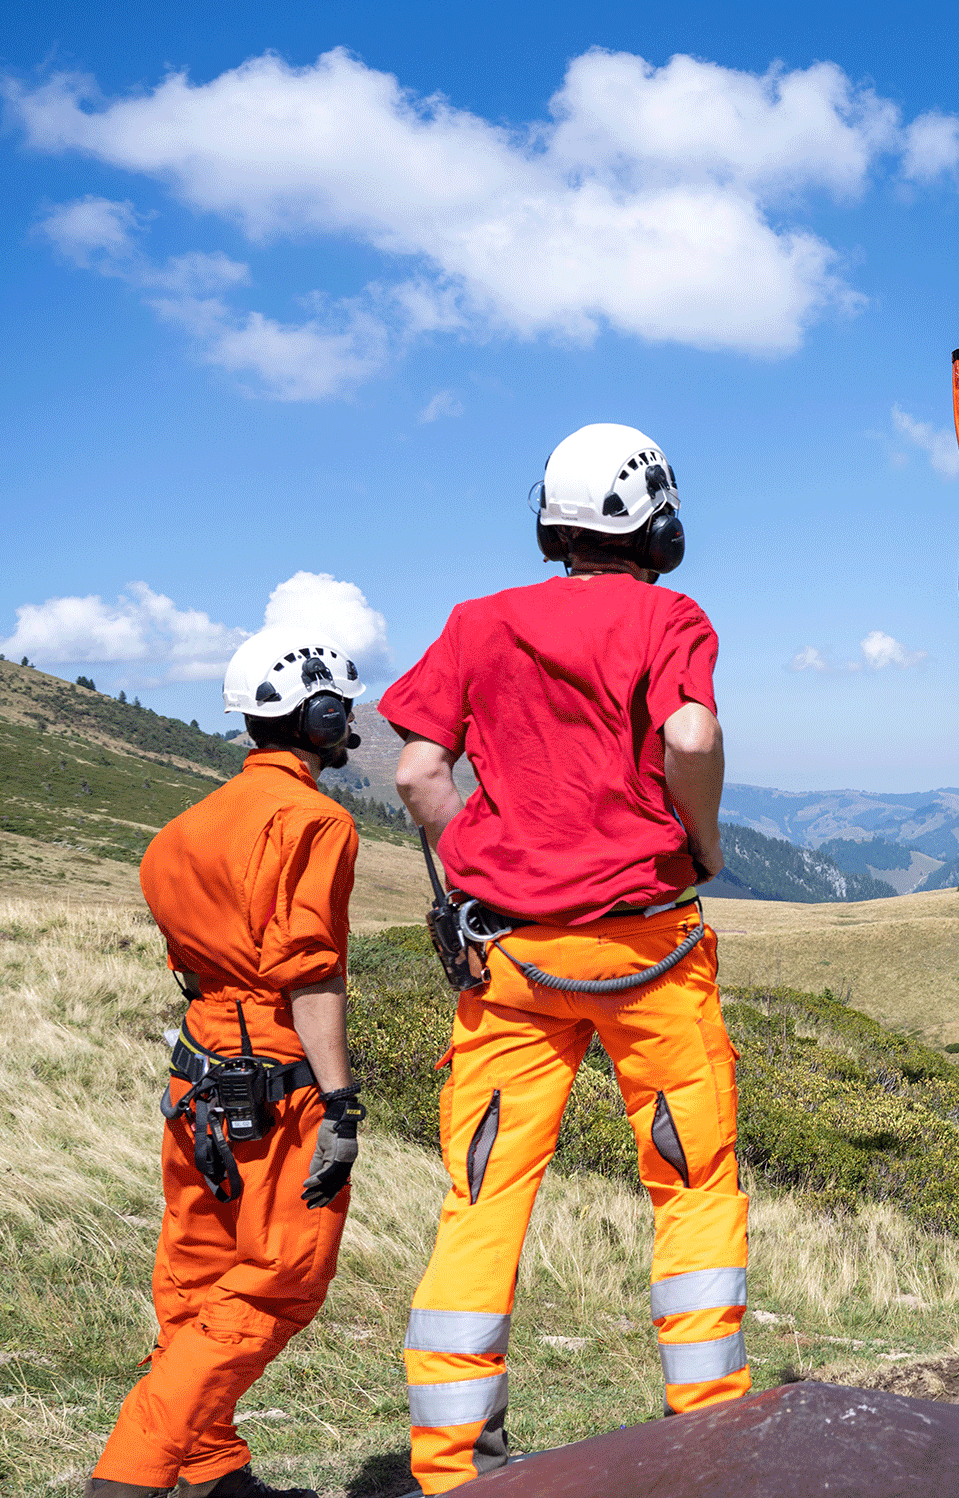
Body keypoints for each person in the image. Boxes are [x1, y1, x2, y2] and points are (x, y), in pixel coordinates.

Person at [383, 423, 746, 1493]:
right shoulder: (669, 615)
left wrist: (473, 866)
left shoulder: (477, 622)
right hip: (649, 948)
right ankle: (709, 1436)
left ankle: (452, 1465)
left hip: (513, 961)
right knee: (690, 1183)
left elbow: (414, 772)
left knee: (484, 1191)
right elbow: (687, 739)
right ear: (659, 522)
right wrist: (707, 842)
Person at [93, 633, 370, 1498]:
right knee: (279, 1279)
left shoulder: (181, 831)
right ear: (319, 717)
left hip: (196, 1076)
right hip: (276, 1082)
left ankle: (212, 1471)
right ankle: (132, 1474)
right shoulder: (314, 821)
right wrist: (339, 1101)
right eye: (341, 709)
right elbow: (309, 969)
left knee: (194, 1276)